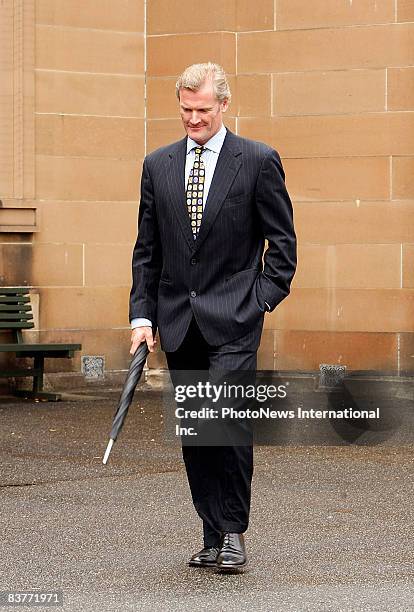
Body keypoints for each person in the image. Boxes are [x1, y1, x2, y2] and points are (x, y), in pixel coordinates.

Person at [129, 62, 296, 571]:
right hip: (178, 319)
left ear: (224, 105)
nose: (193, 119)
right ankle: (211, 532)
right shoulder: (157, 165)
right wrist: (142, 316)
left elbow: (283, 246)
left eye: (202, 109)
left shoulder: (258, 160)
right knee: (198, 432)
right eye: (185, 109)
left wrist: (260, 299)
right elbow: (147, 251)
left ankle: (233, 531)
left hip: (235, 319)